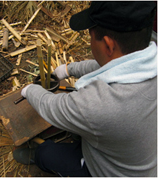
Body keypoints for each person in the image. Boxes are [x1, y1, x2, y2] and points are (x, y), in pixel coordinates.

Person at [13, 1, 157, 177]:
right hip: (137, 154)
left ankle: (42, 158)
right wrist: (68, 69)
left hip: (113, 172)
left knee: (46, 153)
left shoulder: (101, 104)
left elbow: (51, 107)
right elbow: (112, 65)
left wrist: (30, 90)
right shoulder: (147, 54)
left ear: (108, 45)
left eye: (90, 36)